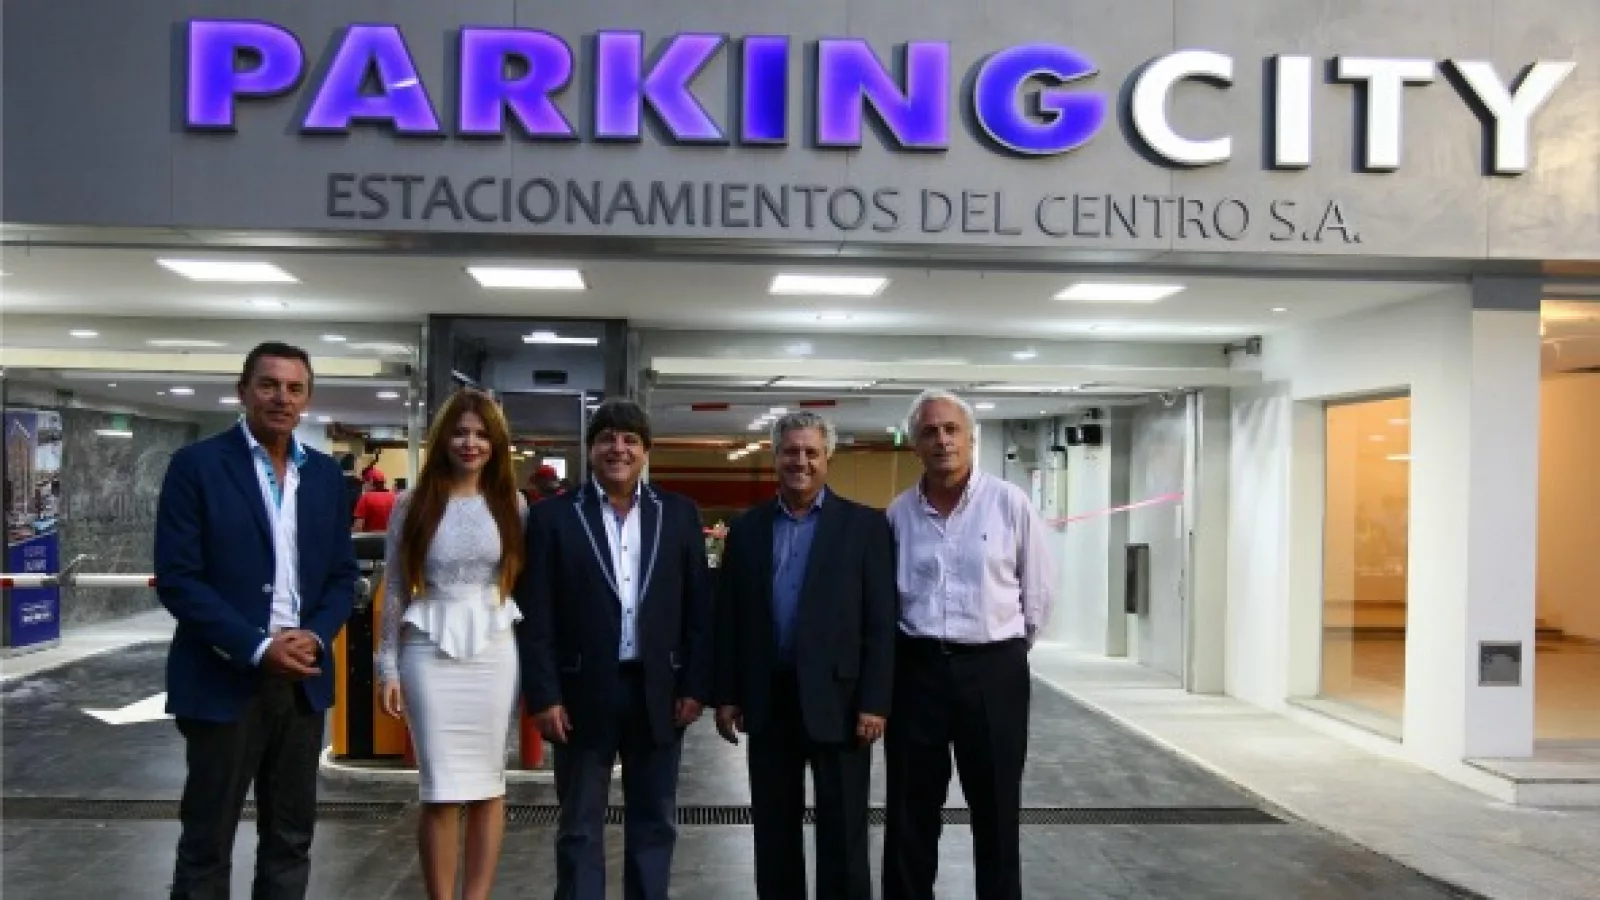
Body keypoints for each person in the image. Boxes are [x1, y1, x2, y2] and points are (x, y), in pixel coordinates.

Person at [153, 341, 358, 900]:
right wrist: (256, 647)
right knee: (207, 841)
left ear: (307, 399)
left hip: (302, 683)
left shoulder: (324, 476)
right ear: (243, 391)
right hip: (223, 678)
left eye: (294, 388)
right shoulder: (197, 467)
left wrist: (315, 635)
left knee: (291, 839)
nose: (281, 398)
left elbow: (342, 576)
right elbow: (179, 578)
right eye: (268, 385)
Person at [514, 399, 713, 900]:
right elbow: (536, 614)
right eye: (607, 438)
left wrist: (696, 686)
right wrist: (544, 695)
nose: (618, 449)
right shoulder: (553, 518)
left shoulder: (679, 514)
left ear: (646, 451)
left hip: (659, 692)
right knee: (579, 826)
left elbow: (699, 608)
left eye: (630, 439)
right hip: (580, 692)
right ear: (590, 449)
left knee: (655, 823)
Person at [881, 389, 1056, 900]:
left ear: (971, 438)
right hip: (916, 673)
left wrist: (1003, 653)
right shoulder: (898, 515)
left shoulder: (1009, 503)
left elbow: (1038, 595)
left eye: (951, 429)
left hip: (993, 670)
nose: (942, 441)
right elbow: (887, 599)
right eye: (930, 432)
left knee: (996, 807)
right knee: (910, 810)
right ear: (915, 444)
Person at [713, 411, 896, 900]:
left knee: (844, 831)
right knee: (774, 832)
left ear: (827, 457)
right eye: (791, 451)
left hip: (841, 702)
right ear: (775, 457)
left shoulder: (864, 527)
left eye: (811, 452)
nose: (801, 461)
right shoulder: (748, 529)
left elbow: (881, 622)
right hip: (767, 700)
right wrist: (727, 694)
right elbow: (730, 617)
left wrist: (875, 701)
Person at [376, 388, 526, 900]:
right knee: (439, 790)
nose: (470, 442)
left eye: (482, 434)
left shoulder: (513, 504)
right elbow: (396, 585)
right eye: (460, 432)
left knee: (489, 784)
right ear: (442, 438)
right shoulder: (410, 504)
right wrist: (386, 664)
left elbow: (523, 582)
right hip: (427, 648)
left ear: (496, 443)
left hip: (495, 649)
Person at [353, 466, 397, 533]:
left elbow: (358, 527)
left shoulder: (366, 498)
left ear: (371, 482)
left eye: (364, 483)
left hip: (371, 538)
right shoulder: (395, 497)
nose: (363, 486)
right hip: (390, 538)